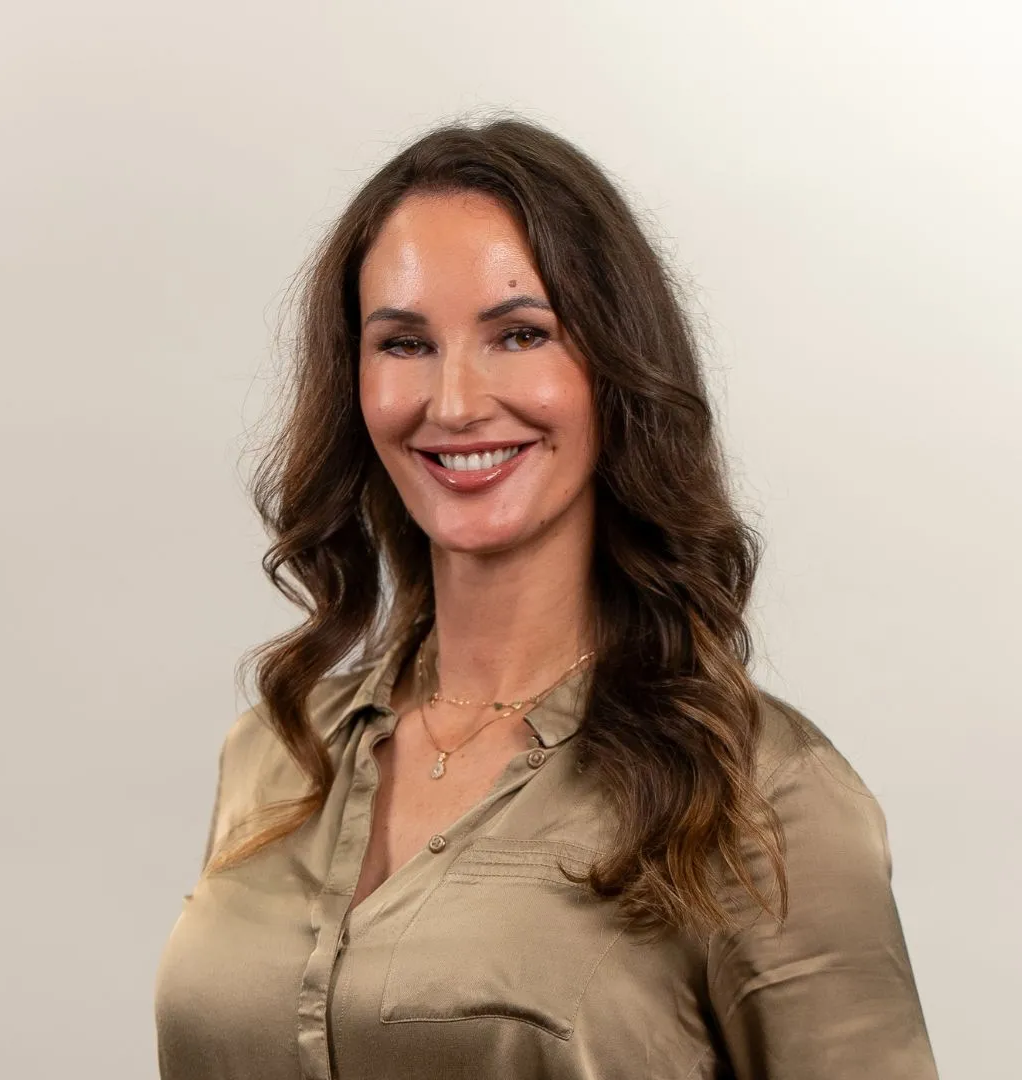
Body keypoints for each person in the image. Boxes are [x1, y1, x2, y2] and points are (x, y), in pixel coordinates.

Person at [153, 117, 939, 1079]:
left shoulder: (762, 794)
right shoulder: (277, 752)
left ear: (614, 368)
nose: (453, 403)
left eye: (520, 334)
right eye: (404, 344)